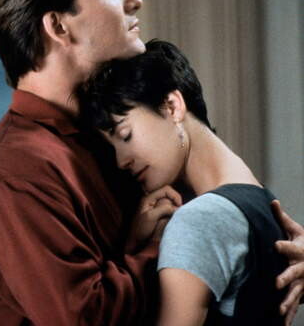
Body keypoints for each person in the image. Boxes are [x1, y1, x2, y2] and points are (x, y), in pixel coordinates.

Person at [0, 0, 304, 325]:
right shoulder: (18, 169)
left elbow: (224, 220)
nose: (134, 0)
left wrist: (277, 253)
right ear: (58, 27)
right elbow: (86, 318)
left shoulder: (111, 133)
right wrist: (160, 245)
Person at [78, 39, 292, 325]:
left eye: (125, 135)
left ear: (172, 106)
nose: (121, 161)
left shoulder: (199, 220)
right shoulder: (263, 200)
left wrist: (132, 252)